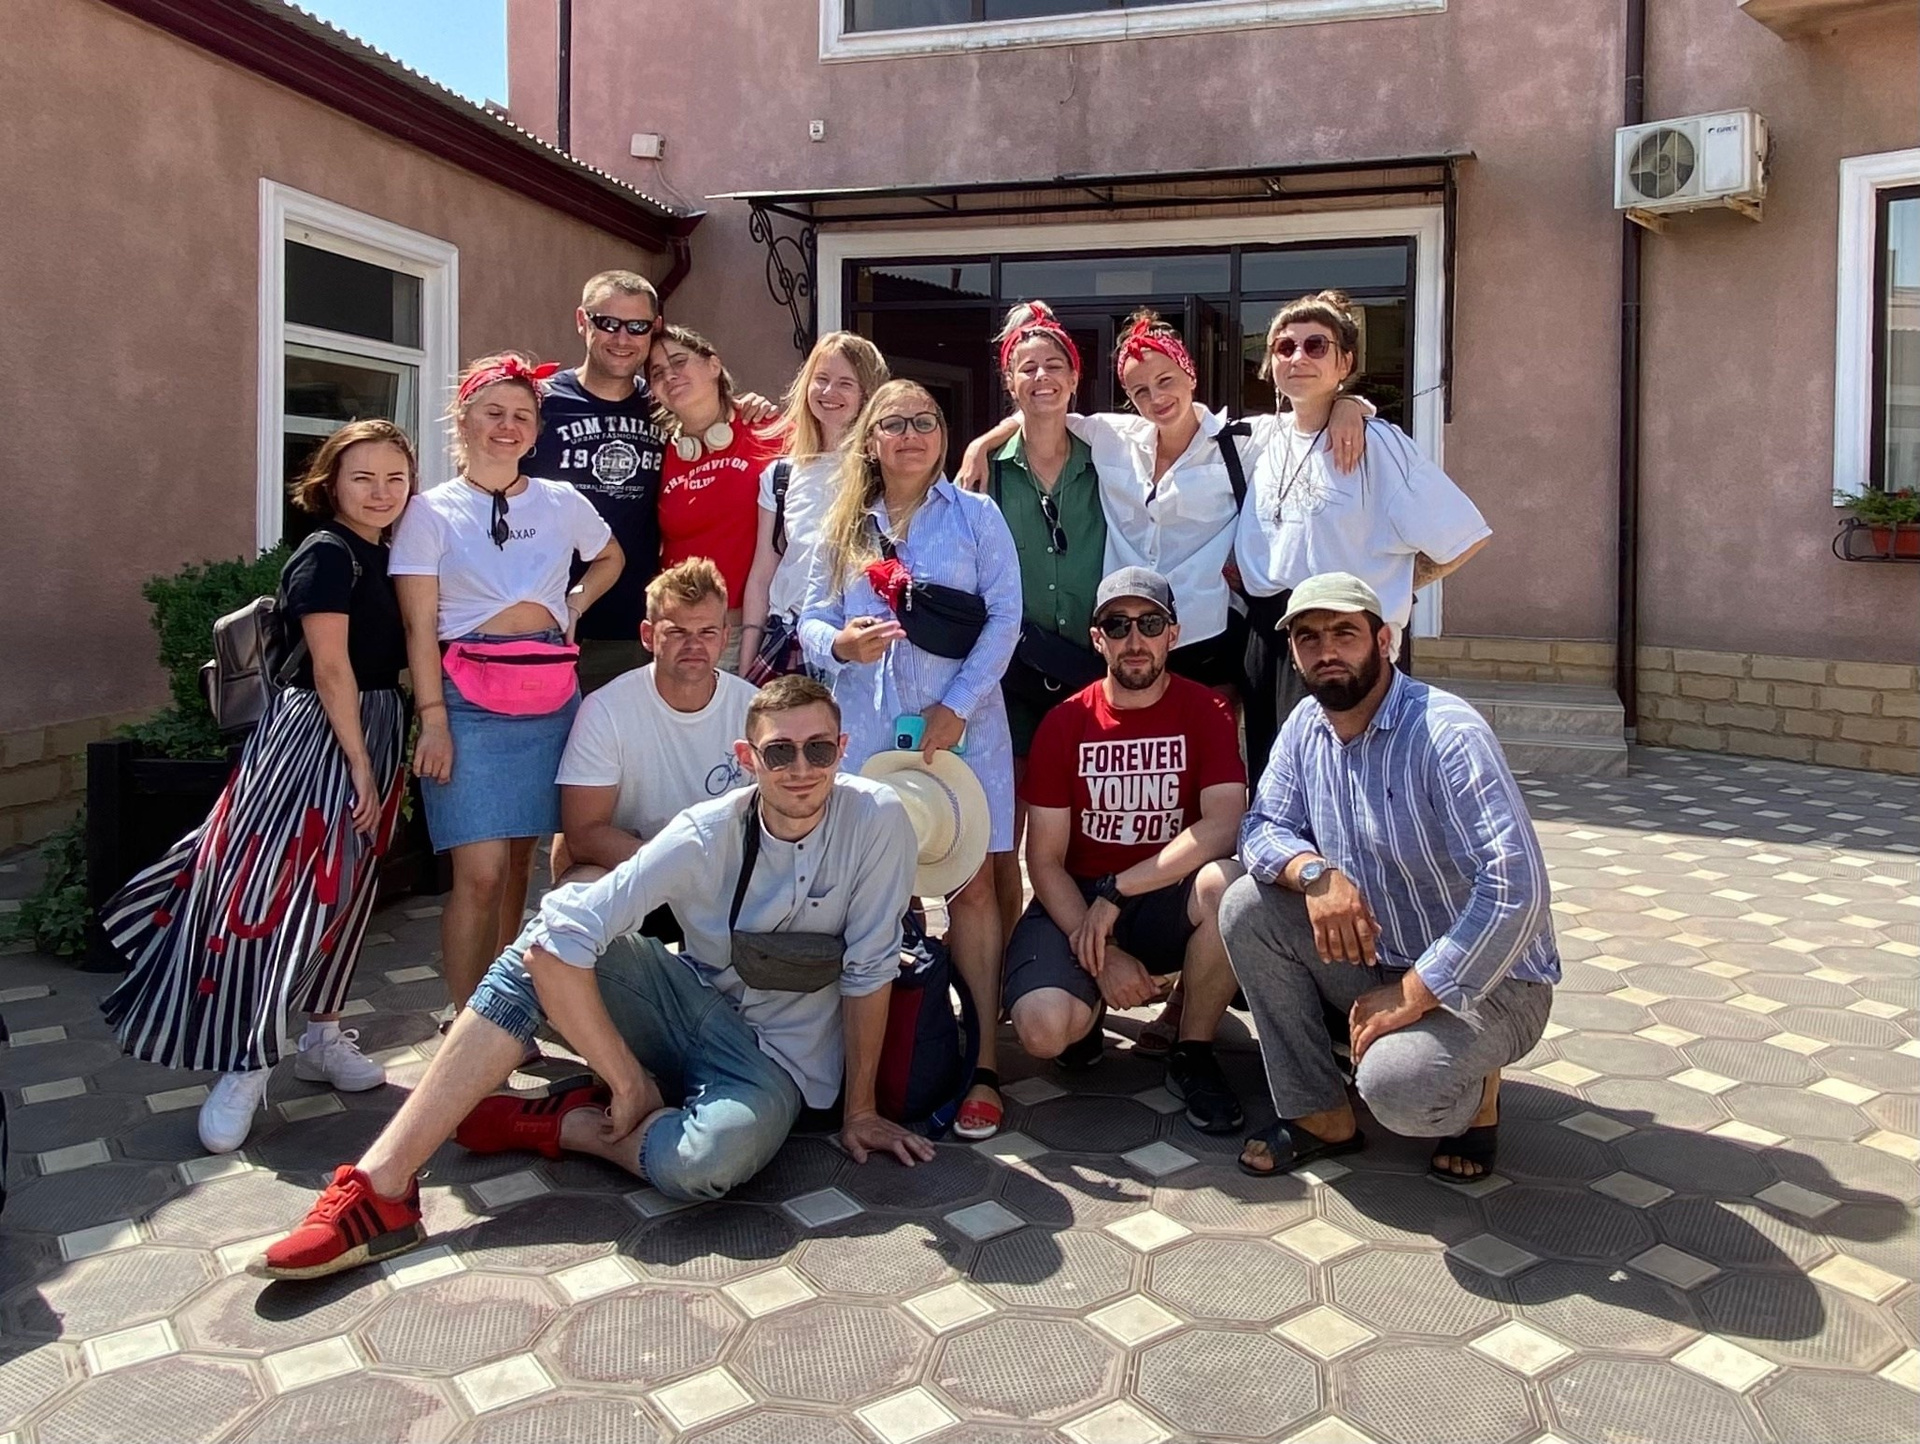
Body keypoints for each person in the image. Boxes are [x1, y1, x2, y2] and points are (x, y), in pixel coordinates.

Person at [255, 677, 934, 1280]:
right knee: (544, 938)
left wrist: (860, 1111)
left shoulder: (877, 820)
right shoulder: (705, 831)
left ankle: (569, 1126)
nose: (801, 769)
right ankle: (381, 1186)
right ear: (746, 758)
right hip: (689, 1008)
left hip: (776, 1065)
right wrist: (627, 1077)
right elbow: (559, 939)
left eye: (819, 750)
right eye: (780, 752)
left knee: (706, 1165)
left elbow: (869, 969)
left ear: (843, 750)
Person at [100, 420, 418, 1153]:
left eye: (395, 478)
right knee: (274, 892)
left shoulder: (389, 552)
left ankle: (322, 1038)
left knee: (346, 887)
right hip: (316, 734)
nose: (380, 491)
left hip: (373, 723)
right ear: (330, 484)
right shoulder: (327, 553)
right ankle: (245, 1059)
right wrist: (360, 763)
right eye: (363, 477)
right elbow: (329, 668)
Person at [1219, 572, 1559, 1182]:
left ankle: (1477, 1094)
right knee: (1247, 904)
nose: (1326, 651)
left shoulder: (1445, 733)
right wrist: (1314, 874)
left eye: (1344, 633)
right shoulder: (1304, 727)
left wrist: (1416, 992)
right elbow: (1261, 828)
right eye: (1308, 637)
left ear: (1384, 641)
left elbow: (1516, 887)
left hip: (1495, 982)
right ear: (1292, 653)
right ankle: (1321, 1113)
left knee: (1398, 1089)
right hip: (1378, 951)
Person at [799, 380, 1022, 1140]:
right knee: (881, 893)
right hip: (869, 735)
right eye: (893, 424)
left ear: (942, 434)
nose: (911, 435)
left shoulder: (977, 516)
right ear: (871, 439)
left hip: (966, 732)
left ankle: (984, 1063)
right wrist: (839, 644)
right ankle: (889, 1058)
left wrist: (956, 704)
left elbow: (1005, 617)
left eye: (925, 421)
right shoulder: (844, 527)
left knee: (973, 890)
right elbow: (810, 620)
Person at [960, 308, 1372, 695]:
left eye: (1165, 380)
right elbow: (1042, 407)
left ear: (1189, 375)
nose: (1156, 397)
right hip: (1126, 640)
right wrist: (981, 445)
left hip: (1205, 637)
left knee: (1207, 743)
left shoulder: (1242, 441)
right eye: (1140, 390)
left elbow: (1307, 417)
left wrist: (1348, 404)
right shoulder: (1112, 437)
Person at [390, 353, 625, 1012]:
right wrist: (433, 719)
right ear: (462, 420)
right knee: (481, 873)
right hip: (467, 698)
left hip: (549, 691)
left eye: (523, 415)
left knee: (520, 863)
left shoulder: (561, 501)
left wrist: (574, 603)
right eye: (493, 412)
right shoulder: (428, 512)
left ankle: (504, 1009)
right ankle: (467, 1022)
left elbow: (610, 556)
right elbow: (418, 627)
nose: (508, 426)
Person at [1008, 568, 1249, 1132]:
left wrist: (1119, 890)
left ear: (1173, 635)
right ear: (1099, 640)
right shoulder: (1065, 723)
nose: (1134, 640)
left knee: (1230, 885)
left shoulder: (1206, 711)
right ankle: (1087, 1004)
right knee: (1043, 1031)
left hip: (1160, 897)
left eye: (1150, 624)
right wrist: (1104, 952)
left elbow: (1223, 825)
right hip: (1078, 900)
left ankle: (1193, 1051)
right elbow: (1044, 861)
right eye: (1117, 626)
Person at [1235, 290, 1491, 776]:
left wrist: (1391, 585)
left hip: (1341, 638)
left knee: (1349, 779)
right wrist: (1350, 403)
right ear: (1269, 364)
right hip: (1270, 636)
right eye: (1285, 347)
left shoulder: (1379, 444)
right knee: (1275, 777)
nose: (1298, 356)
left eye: (1316, 346)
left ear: (1344, 362)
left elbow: (1464, 535)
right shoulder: (1263, 438)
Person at [979, 303, 1108, 946]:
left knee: (1089, 828)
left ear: (1075, 377)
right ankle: (1007, 963)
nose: (1041, 378)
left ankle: (1082, 956)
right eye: (1026, 368)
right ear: (1010, 382)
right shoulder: (985, 472)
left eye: (1054, 365)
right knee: (1004, 836)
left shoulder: (1110, 457)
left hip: (1090, 671)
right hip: (1013, 672)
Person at [552, 558, 755, 920]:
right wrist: (674, 867)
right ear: (648, 635)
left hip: (724, 881)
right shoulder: (605, 710)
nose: (693, 645)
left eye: (707, 632)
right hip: (634, 872)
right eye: (677, 632)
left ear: (725, 637)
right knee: (577, 893)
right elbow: (583, 834)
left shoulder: (755, 711)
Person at [522, 270, 667, 694]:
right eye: (608, 323)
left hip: (633, 627)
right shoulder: (540, 402)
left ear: (654, 329)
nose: (622, 338)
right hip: (543, 619)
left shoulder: (666, 407)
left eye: (637, 326)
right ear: (582, 321)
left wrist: (749, 407)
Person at [739, 331, 890, 683]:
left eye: (845, 383)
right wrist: (747, 662)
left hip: (860, 645)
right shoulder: (780, 476)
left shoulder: (884, 472)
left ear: (867, 393)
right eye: (821, 379)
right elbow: (762, 574)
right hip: (787, 639)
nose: (829, 392)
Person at [649, 325, 788, 674]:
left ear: (714, 365)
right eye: (657, 373)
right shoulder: (656, 452)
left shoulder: (771, 430)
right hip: (681, 636)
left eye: (679, 361)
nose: (669, 376)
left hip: (753, 629)